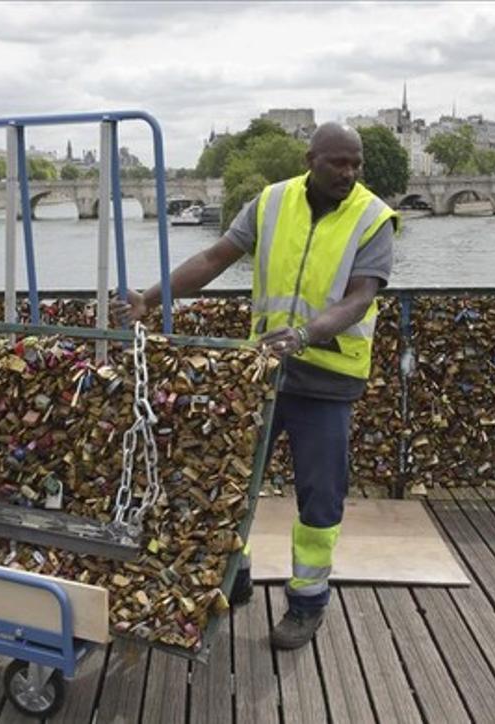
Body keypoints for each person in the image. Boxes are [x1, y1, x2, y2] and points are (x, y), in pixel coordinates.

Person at [112, 123, 397, 651]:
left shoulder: (373, 217)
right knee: (232, 483)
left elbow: (360, 298)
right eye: (338, 162)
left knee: (319, 499)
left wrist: (308, 334)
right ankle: (232, 576)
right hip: (265, 374)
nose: (349, 173)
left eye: (355, 164)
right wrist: (150, 300)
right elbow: (213, 259)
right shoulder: (269, 202)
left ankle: (307, 603)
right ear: (310, 159)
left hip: (329, 381)